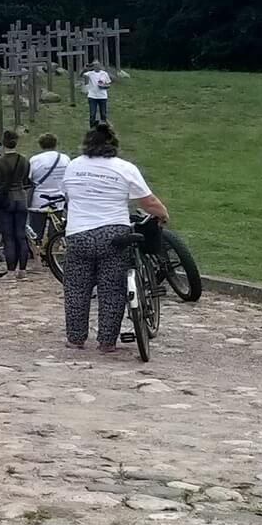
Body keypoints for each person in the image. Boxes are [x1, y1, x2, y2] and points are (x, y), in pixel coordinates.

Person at [60, 124, 168, 353]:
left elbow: (67, 193)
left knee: (76, 289)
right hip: (114, 234)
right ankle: (107, 341)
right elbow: (148, 202)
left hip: (79, 233)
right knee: (112, 290)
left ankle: (76, 338)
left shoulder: (73, 166)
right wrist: (162, 214)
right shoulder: (124, 168)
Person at [0, 130, 34, 279]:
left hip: (6, 200)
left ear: (3, 143)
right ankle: (23, 270)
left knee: (8, 237)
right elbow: (26, 179)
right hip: (21, 198)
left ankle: (11, 271)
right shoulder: (24, 160)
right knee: (21, 236)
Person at [28, 133, 71, 236]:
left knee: (36, 232)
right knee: (55, 232)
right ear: (55, 144)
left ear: (40, 144)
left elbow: (28, 179)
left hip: (39, 200)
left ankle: (38, 245)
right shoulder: (65, 158)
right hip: (58, 199)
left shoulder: (35, 160)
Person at [83, 61, 113, 128]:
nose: (96, 66)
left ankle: (104, 130)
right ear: (93, 67)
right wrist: (84, 70)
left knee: (103, 114)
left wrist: (104, 86)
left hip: (102, 97)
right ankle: (92, 129)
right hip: (92, 97)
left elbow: (109, 84)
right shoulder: (90, 73)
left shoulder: (104, 74)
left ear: (100, 66)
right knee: (92, 114)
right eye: (95, 65)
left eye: (97, 65)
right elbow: (81, 75)